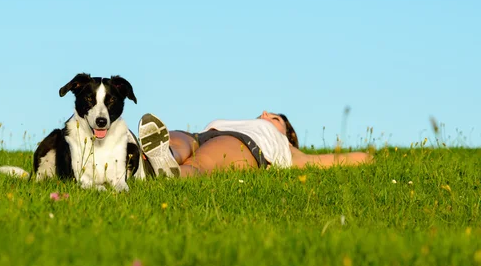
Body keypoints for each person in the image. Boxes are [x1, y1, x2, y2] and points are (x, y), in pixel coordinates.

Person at [137, 112, 372, 178]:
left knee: (202, 165)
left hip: (241, 145)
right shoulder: (241, 121)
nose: (265, 113)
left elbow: (356, 159)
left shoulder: (289, 150)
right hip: (200, 135)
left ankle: (168, 174)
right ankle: (160, 156)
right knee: (176, 142)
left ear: (287, 135)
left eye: (276, 119)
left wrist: (369, 159)